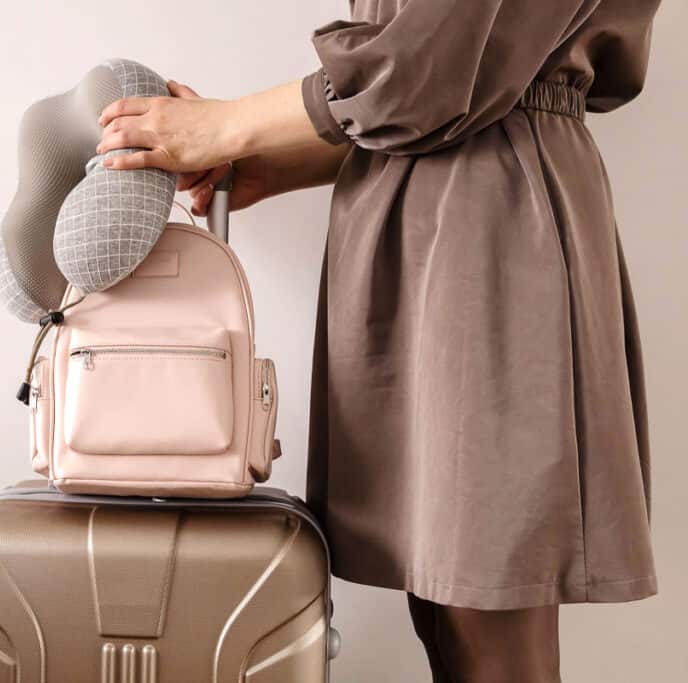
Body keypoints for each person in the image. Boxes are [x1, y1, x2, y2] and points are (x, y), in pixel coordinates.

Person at [96, 1, 661, 681]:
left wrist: (227, 124)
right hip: (439, 217)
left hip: (489, 229)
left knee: (488, 611)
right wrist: (278, 156)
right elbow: (440, 85)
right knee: (449, 614)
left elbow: (430, 63)